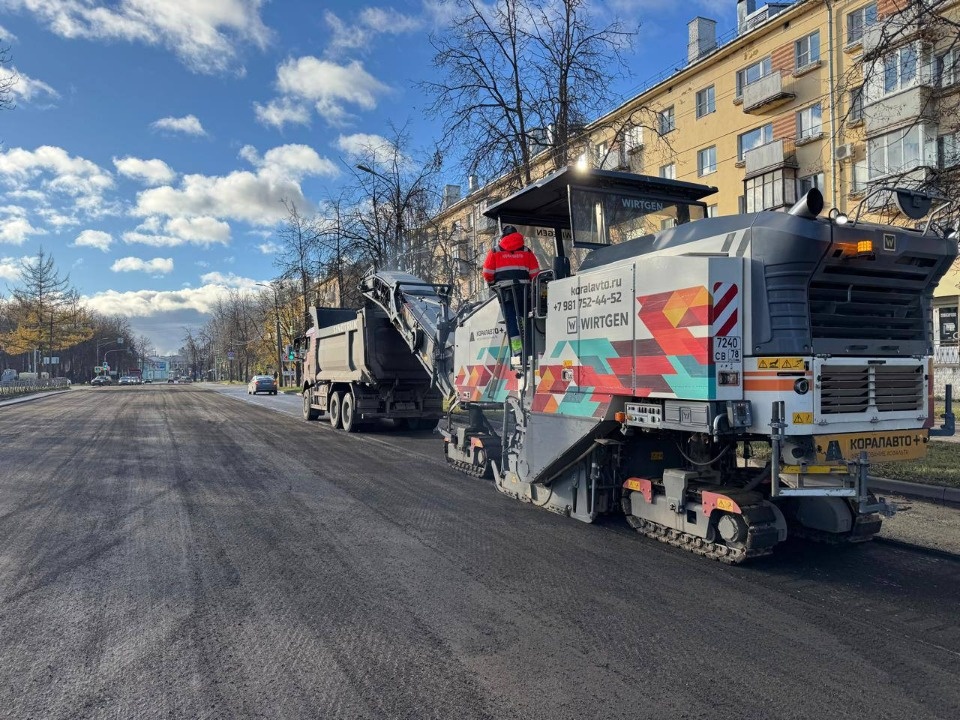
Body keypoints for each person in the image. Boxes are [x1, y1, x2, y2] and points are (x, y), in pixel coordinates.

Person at [482, 225, 540, 360]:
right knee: (526, 320)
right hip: (525, 293)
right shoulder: (527, 251)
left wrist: (492, 283)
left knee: (511, 322)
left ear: (503, 237)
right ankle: (529, 348)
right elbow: (535, 274)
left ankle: (518, 351)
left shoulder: (495, 251)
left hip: (505, 293)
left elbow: (487, 273)